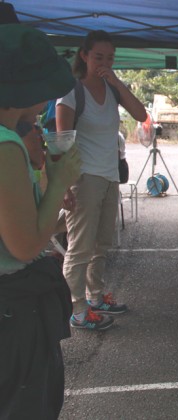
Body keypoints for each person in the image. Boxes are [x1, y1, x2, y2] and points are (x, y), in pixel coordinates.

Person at [0, 23, 81, 419]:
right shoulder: (5, 144)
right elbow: (26, 244)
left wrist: (42, 172)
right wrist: (60, 181)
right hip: (12, 312)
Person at [56, 30, 147, 331]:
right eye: (98, 57)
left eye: (110, 58)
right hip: (84, 178)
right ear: (84, 55)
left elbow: (141, 113)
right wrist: (64, 186)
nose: (104, 63)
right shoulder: (70, 92)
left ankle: (96, 297)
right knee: (80, 247)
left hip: (109, 177)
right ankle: (78, 310)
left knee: (102, 244)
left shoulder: (111, 90)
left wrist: (115, 81)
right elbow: (61, 143)